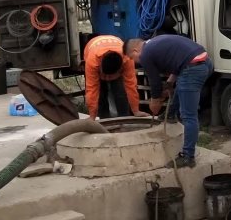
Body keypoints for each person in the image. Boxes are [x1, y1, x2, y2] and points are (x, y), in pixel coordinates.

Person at [127, 34, 210, 168]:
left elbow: (154, 82)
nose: (135, 62)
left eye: (132, 58)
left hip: (193, 68)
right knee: (181, 89)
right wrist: (170, 83)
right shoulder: (154, 43)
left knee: (188, 115)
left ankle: (188, 156)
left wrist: (155, 101)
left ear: (135, 51)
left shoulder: (146, 54)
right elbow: (179, 61)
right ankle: (170, 114)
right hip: (203, 61)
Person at [83, 35, 146, 120]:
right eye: (106, 76)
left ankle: (125, 119)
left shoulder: (127, 58)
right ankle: (104, 119)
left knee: (121, 93)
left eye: (111, 76)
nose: (108, 78)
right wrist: (92, 116)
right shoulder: (92, 62)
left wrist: (136, 110)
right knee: (101, 96)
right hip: (93, 51)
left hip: (116, 58)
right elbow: (92, 89)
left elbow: (131, 85)